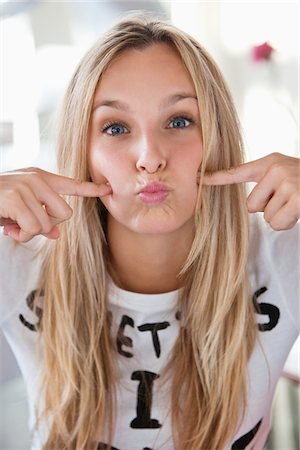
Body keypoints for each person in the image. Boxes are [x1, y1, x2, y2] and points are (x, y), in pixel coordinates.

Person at [0, 12, 299, 450]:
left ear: (216, 135)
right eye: (116, 128)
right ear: (82, 151)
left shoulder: (281, 252)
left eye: (179, 121)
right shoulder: (19, 261)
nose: (149, 157)